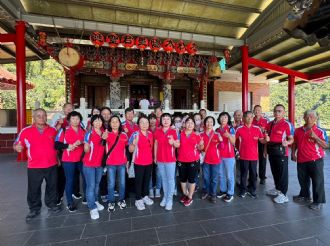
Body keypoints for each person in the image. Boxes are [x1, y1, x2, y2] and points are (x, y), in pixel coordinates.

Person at [14, 108, 62, 221]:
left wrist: (58, 158)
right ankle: (34, 208)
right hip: (34, 166)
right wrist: (17, 147)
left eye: (44, 115)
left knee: (52, 186)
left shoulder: (52, 130)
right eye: (38, 116)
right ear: (34, 118)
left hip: (52, 164)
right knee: (34, 189)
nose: (42, 118)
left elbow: (57, 146)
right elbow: (17, 143)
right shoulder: (26, 131)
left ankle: (51, 204)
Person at [291, 110, 328, 210]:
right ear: (303, 117)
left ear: (316, 118)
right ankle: (305, 195)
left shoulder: (320, 131)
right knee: (303, 180)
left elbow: (325, 145)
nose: (309, 118)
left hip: (315, 160)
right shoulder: (298, 130)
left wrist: (316, 137)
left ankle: (318, 201)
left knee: (317, 181)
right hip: (301, 159)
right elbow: (295, 143)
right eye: (307, 116)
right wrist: (293, 153)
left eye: (312, 116)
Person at [55, 111, 86, 212]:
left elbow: (87, 141)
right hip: (69, 160)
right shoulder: (64, 130)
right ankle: (69, 203)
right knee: (70, 181)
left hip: (81, 159)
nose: (75, 121)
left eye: (77, 119)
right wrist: (68, 146)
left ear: (80, 120)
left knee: (86, 178)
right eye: (73, 119)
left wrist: (82, 142)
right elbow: (56, 144)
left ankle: (86, 197)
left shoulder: (83, 130)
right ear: (69, 120)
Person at [265, 104, 294, 204]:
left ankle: (284, 195)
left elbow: (291, 138)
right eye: (275, 111)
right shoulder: (269, 124)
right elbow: (266, 139)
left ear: (283, 113)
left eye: (279, 111)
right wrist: (265, 151)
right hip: (271, 151)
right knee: (275, 171)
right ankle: (277, 189)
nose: (277, 113)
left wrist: (288, 142)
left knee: (282, 174)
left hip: (281, 152)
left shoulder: (286, 124)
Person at [236, 111, 268, 199]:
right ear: (244, 118)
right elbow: (233, 141)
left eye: (251, 117)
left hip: (254, 156)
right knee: (244, 174)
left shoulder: (257, 129)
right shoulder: (239, 129)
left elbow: (261, 140)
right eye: (247, 117)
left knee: (253, 174)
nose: (250, 119)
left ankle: (253, 190)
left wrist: (266, 140)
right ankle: (243, 190)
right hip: (243, 156)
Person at [154, 113, 180, 210]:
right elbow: (156, 144)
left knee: (170, 180)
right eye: (164, 119)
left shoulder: (174, 131)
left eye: (168, 119)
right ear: (161, 121)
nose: (165, 121)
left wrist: (173, 142)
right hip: (160, 159)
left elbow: (178, 145)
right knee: (164, 179)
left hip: (170, 160)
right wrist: (155, 157)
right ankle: (165, 197)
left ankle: (170, 200)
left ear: (170, 121)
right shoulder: (157, 131)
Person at [129, 116, 154, 210]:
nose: (144, 124)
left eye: (146, 122)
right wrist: (133, 144)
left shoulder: (151, 134)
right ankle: (138, 199)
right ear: (138, 124)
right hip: (138, 162)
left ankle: (144, 196)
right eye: (142, 122)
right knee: (139, 181)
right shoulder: (135, 134)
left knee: (147, 180)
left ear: (148, 124)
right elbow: (130, 150)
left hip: (149, 162)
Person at [177, 117, 204, 206]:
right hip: (181, 160)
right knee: (182, 179)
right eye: (187, 122)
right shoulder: (180, 134)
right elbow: (177, 145)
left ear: (194, 125)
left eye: (192, 123)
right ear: (184, 124)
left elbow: (201, 148)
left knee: (192, 180)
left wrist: (201, 145)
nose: (189, 124)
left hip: (193, 160)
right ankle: (185, 194)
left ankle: (190, 196)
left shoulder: (197, 135)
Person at [82, 114, 105, 220]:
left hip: (99, 164)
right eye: (96, 121)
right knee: (90, 186)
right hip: (89, 164)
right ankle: (92, 207)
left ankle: (95, 201)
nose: (98, 122)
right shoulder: (89, 133)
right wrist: (86, 146)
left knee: (96, 184)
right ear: (92, 122)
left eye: (100, 121)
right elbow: (86, 148)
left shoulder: (104, 133)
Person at [105, 115, 129, 212]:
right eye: (113, 122)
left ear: (120, 123)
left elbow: (127, 149)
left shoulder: (124, 135)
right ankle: (111, 201)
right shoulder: (107, 134)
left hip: (122, 163)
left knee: (122, 183)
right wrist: (103, 138)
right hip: (110, 163)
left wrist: (127, 161)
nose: (115, 123)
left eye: (116, 121)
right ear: (110, 124)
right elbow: (102, 145)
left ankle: (121, 200)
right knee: (111, 184)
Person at [200, 116, 223, 203]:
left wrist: (221, 141)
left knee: (214, 178)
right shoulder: (201, 134)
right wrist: (201, 146)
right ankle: (205, 191)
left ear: (213, 124)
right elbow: (199, 148)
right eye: (207, 122)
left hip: (215, 160)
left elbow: (221, 147)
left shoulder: (217, 134)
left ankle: (213, 194)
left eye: (211, 122)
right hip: (205, 159)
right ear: (205, 123)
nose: (209, 124)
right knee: (206, 177)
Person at [216, 112, 236, 203]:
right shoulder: (217, 129)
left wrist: (229, 136)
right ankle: (223, 190)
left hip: (229, 156)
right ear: (219, 119)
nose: (223, 119)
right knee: (221, 174)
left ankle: (230, 193)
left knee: (229, 175)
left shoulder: (231, 129)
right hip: (219, 156)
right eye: (221, 117)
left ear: (228, 119)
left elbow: (233, 142)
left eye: (225, 117)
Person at [252, 105, 269, 184]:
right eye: (255, 110)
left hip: (262, 141)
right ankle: (253, 176)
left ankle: (262, 177)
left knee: (262, 159)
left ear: (261, 111)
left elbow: (268, 132)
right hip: (253, 142)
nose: (257, 111)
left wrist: (264, 131)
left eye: (259, 110)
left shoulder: (265, 121)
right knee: (253, 159)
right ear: (253, 111)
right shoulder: (251, 120)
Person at [99, 107, 112, 201]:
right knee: (103, 173)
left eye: (108, 114)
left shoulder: (114, 124)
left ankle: (111, 189)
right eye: (104, 114)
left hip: (112, 154)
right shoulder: (98, 125)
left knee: (111, 173)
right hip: (102, 154)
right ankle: (103, 192)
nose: (106, 116)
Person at [148, 113, 162, 198]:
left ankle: (158, 189)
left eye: (154, 119)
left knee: (158, 174)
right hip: (148, 155)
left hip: (159, 155)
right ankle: (150, 190)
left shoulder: (159, 129)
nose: (152, 120)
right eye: (150, 119)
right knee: (149, 174)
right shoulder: (146, 129)